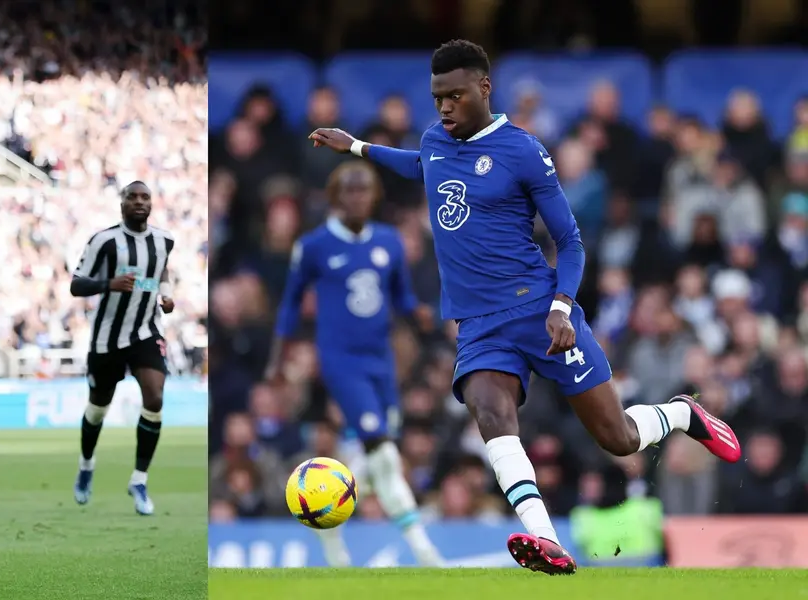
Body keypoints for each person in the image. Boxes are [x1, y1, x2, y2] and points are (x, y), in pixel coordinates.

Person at [309, 39, 742, 575]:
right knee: (490, 414)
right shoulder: (435, 141)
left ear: (484, 88)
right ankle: (546, 540)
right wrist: (357, 148)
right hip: (479, 326)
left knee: (619, 439)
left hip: (539, 311)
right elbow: (419, 165)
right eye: (437, 97)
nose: (444, 107)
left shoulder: (523, 150)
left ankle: (682, 412)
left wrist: (562, 307)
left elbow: (572, 242)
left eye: (455, 96)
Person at [265, 161, 444, 567]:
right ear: (335, 197)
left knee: (379, 459)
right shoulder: (313, 246)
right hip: (340, 361)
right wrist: (278, 361)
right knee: (381, 449)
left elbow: (401, 298)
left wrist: (420, 316)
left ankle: (327, 531)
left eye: (364, 190)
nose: (358, 198)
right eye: (349, 191)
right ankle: (424, 550)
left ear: (374, 197)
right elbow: (291, 305)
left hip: (382, 362)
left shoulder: (389, 242)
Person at [70, 181, 176, 516]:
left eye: (145, 197)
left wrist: (166, 294)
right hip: (107, 338)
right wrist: (108, 284)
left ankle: (139, 479)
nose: (140, 202)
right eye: (133, 197)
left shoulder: (163, 240)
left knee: (155, 397)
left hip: (146, 331)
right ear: (122, 204)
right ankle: (87, 465)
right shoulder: (103, 241)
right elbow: (76, 284)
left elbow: (161, 273)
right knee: (98, 408)